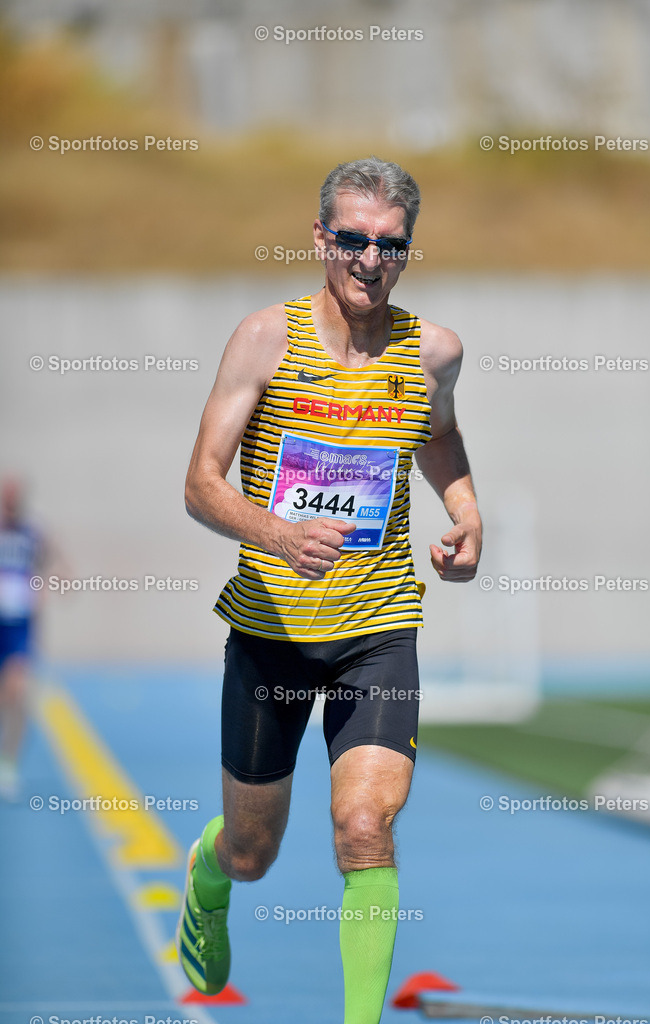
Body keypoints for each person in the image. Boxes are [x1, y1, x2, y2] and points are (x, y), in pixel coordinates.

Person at [176, 157, 482, 1022]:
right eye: (351, 240)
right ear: (321, 239)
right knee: (252, 850)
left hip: (378, 630)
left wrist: (464, 510)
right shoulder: (265, 339)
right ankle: (208, 869)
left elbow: (442, 435)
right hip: (271, 631)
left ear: (407, 252)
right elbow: (201, 484)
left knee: (364, 828)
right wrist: (275, 532)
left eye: (389, 245)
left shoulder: (433, 352)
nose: (367, 260)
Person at [0, 478, 45, 802]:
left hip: (19, 625)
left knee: (16, 692)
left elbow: (52, 561)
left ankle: (9, 763)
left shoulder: (32, 534)